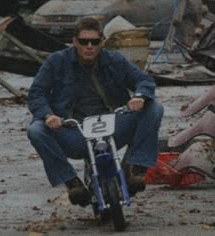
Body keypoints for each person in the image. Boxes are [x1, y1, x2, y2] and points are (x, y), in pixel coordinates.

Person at [27, 17, 164, 207]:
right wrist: (49, 115)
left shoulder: (115, 59)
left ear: (103, 42)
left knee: (154, 107)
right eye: (84, 41)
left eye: (95, 42)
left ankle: (137, 167)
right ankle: (71, 182)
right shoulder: (56, 61)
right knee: (36, 130)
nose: (89, 46)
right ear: (75, 42)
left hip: (112, 125)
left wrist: (140, 97)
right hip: (74, 130)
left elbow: (143, 80)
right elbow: (36, 93)